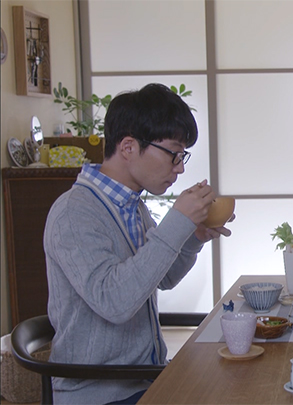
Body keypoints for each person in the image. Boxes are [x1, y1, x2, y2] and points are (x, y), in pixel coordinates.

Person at [44, 83, 231, 404]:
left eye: (182, 156)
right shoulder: (73, 212)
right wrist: (177, 222)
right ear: (128, 147)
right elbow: (115, 302)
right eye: (173, 154)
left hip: (143, 379)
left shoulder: (132, 206)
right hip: (100, 391)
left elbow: (164, 277)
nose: (180, 167)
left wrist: (193, 237)